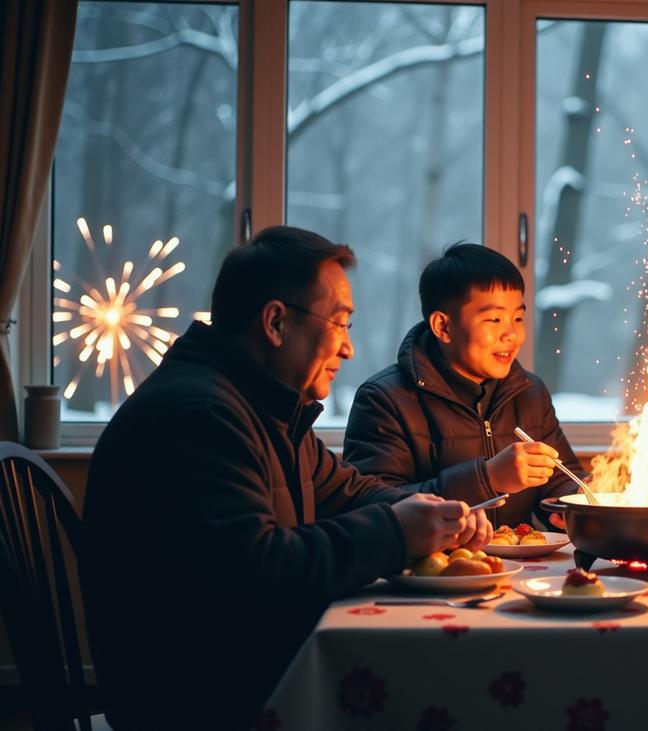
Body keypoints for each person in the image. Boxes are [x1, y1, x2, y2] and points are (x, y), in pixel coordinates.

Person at [80, 226, 491, 731]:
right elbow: (258, 568)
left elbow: (348, 491)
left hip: (240, 665)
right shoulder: (202, 415)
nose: (349, 350)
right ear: (275, 322)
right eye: (339, 324)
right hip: (200, 698)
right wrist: (397, 532)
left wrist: (435, 514)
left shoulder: (263, 405)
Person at [344, 242, 582, 530]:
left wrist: (574, 499)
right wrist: (487, 478)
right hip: (431, 571)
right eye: (494, 319)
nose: (511, 333)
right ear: (443, 326)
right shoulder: (384, 399)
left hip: (519, 570)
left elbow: (560, 480)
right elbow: (375, 510)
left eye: (518, 317)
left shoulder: (530, 392)